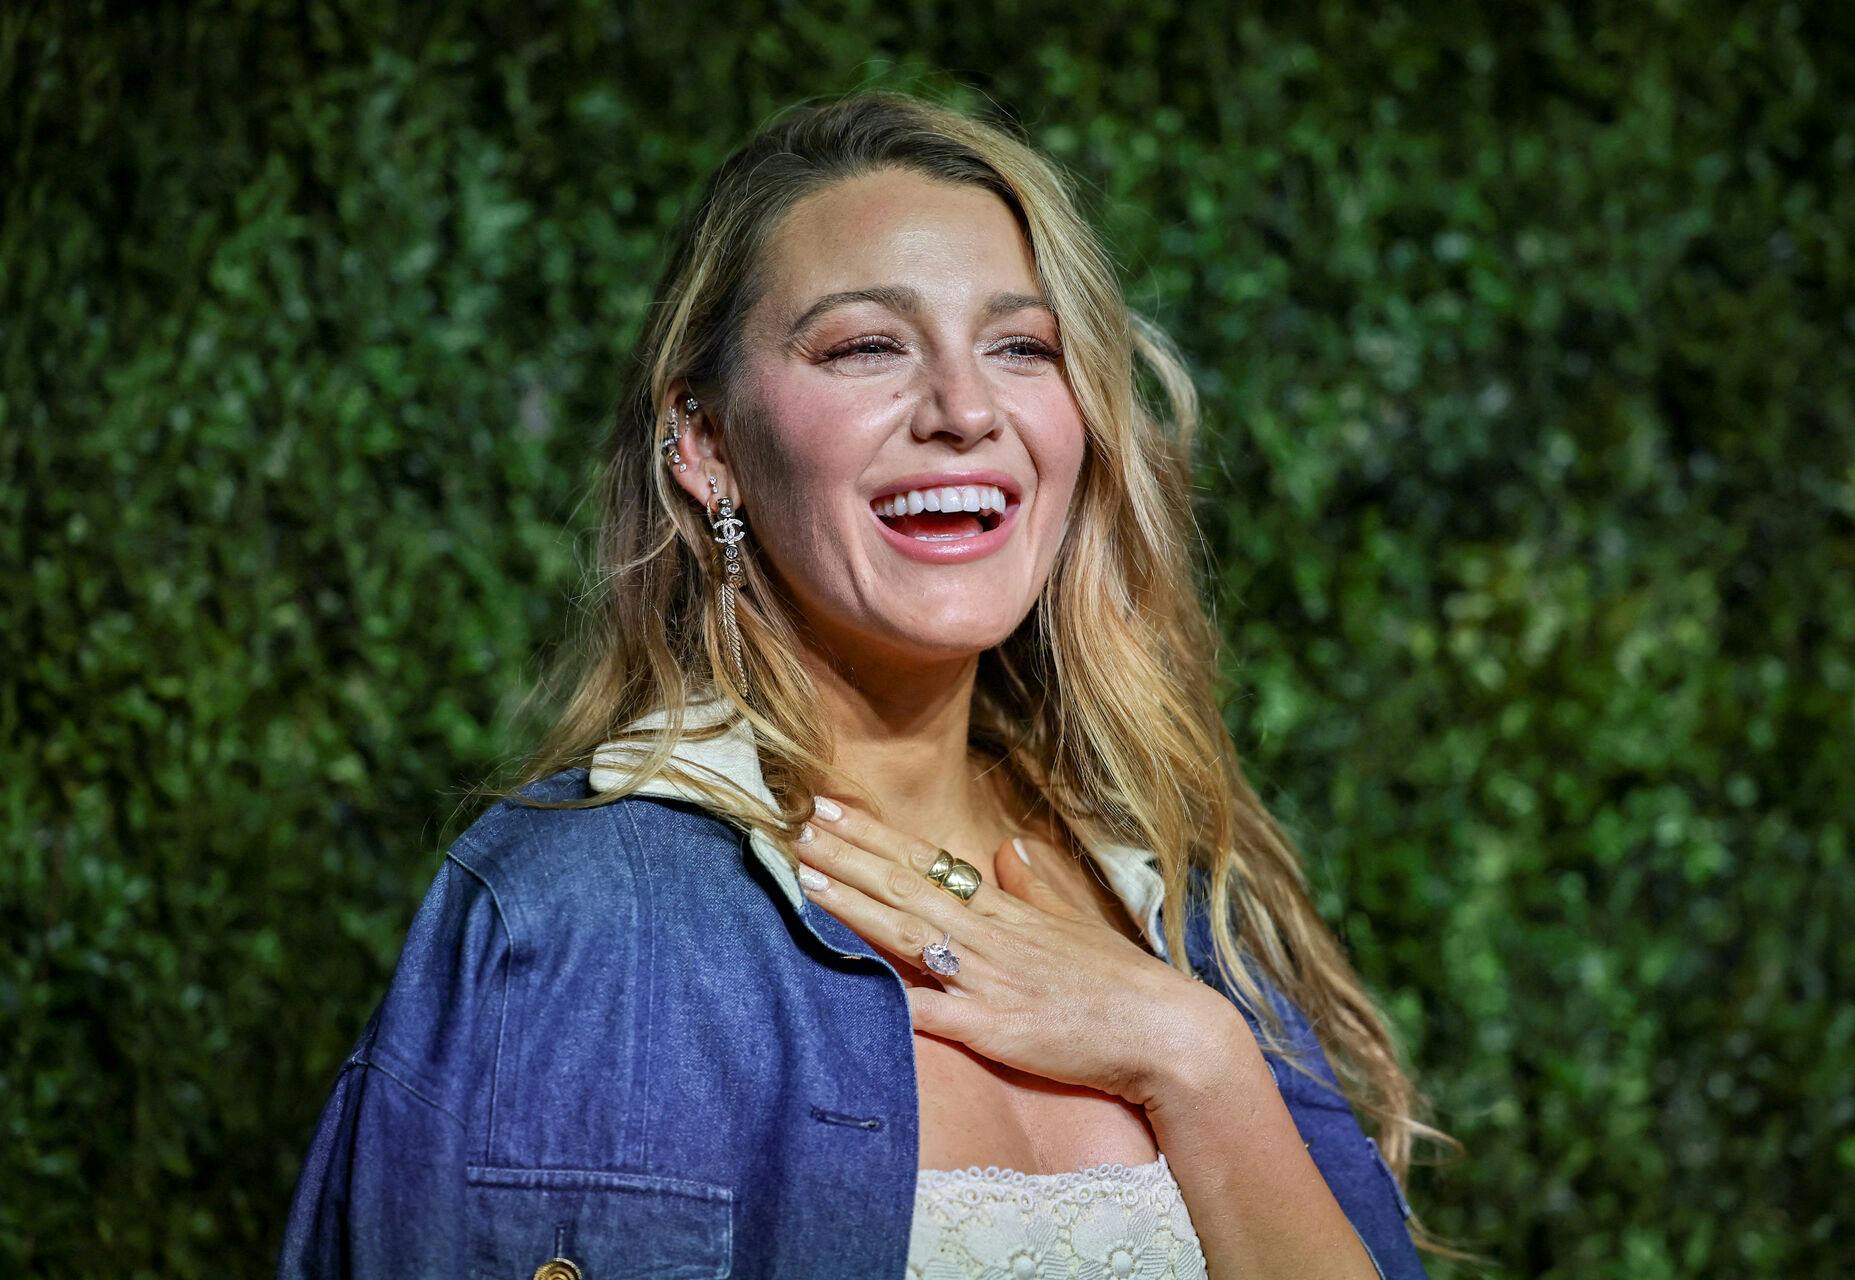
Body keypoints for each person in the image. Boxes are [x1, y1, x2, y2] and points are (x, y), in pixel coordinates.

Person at [278, 89, 1458, 1279]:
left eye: (1021, 346)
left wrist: (1192, 1053)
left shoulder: (1164, 897)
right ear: (706, 440)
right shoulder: (576, 922)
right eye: (865, 346)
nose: (964, 410)